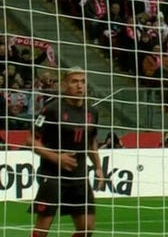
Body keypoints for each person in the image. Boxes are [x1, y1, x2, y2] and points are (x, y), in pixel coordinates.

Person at [29, 67, 105, 237]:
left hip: (79, 177)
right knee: (42, 230)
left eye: (83, 82)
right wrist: (57, 158)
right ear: (64, 85)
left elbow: (91, 141)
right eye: (74, 81)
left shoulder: (92, 112)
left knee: (87, 228)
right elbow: (31, 141)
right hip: (53, 175)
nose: (80, 86)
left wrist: (98, 167)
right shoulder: (52, 110)